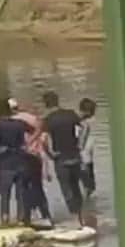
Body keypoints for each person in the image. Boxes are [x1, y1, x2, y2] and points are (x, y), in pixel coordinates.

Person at [43, 92, 86, 228]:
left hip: (61, 158)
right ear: (57, 101)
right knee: (76, 187)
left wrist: (50, 153)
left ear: (46, 104)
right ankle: (81, 216)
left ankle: (75, 219)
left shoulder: (48, 119)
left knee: (66, 189)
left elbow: (44, 140)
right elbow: (84, 127)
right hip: (75, 156)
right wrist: (80, 144)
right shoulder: (70, 114)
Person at [10, 99, 52, 228]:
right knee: (38, 188)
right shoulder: (33, 118)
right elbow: (43, 137)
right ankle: (46, 215)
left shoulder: (11, 121)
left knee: (22, 190)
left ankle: (25, 218)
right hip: (35, 157)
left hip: (20, 158)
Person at [0, 99, 31, 226]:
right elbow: (36, 129)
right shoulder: (20, 124)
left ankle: (5, 219)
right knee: (20, 194)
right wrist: (27, 145)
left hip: (5, 162)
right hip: (20, 160)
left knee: (5, 194)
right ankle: (21, 220)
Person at [78, 98, 96, 197]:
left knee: (84, 170)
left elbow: (83, 134)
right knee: (89, 168)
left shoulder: (84, 122)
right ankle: (89, 189)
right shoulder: (92, 119)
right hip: (90, 148)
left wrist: (79, 146)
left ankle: (87, 190)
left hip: (84, 149)